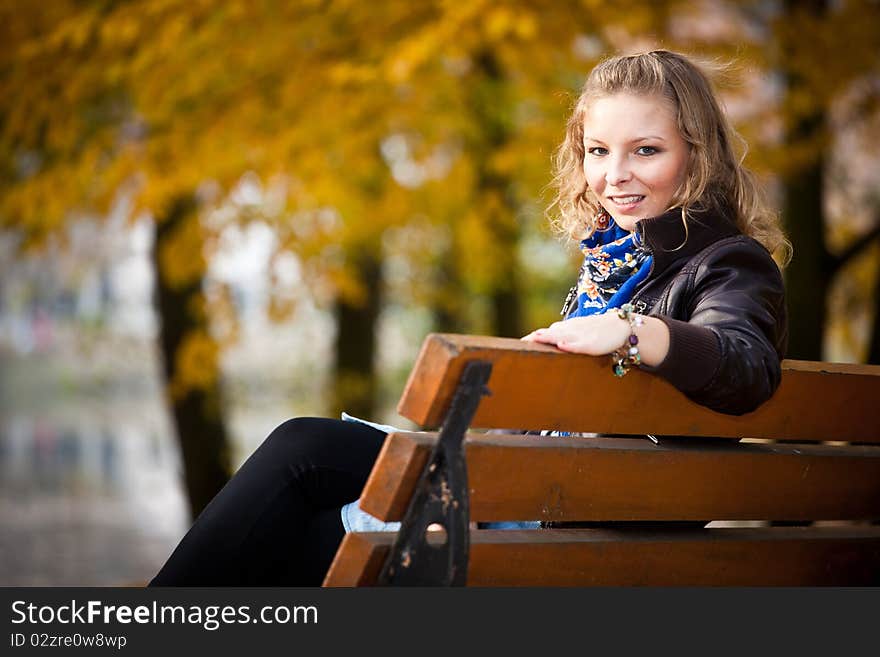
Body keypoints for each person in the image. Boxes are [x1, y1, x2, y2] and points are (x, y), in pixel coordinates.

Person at [149, 49, 789, 586]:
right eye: (597, 151)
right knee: (302, 518)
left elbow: (746, 363)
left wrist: (632, 331)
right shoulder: (621, 266)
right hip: (535, 499)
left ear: (698, 156)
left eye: (644, 151)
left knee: (303, 454)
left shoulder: (729, 264)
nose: (613, 175)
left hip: (554, 520)